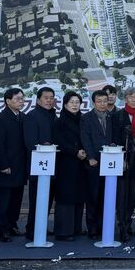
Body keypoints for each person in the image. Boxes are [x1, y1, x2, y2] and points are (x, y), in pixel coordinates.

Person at [22, 87, 57, 240]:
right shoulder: (32, 116)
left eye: (51, 98)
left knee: (48, 199)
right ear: (38, 100)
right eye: (46, 98)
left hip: (52, 164)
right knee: (36, 199)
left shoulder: (53, 115)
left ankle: (41, 226)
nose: (49, 100)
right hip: (38, 165)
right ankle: (32, 229)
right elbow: (30, 142)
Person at [0, 87, 27, 242]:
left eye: (22, 98)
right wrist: (3, 165)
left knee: (17, 198)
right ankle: (3, 229)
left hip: (21, 165)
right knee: (5, 199)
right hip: (7, 166)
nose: (21, 101)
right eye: (17, 99)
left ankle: (13, 225)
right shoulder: (0, 119)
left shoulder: (23, 117)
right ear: (8, 101)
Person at [112, 88, 135, 242]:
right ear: (125, 99)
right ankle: (122, 227)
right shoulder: (118, 115)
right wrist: (121, 158)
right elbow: (114, 138)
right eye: (131, 97)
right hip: (123, 160)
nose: (134, 100)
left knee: (132, 196)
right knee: (122, 196)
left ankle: (128, 223)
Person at [53, 91, 86, 241]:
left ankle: (76, 228)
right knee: (66, 197)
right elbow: (59, 141)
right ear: (65, 104)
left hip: (81, 162)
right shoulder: (60, 121)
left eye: (77, 102)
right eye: (72, 102)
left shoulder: (82, 119)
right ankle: (63, 232)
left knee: (79, 196)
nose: (75, 105)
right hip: (66, 163)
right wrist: (75, 152)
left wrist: (84, 151)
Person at [81, 90, 114, 240]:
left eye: (104, 101)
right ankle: (92, 228)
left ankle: (104, 226)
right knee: (93, 196)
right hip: (94, 162)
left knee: (106, 196)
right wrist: (91, 157)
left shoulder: (113, 117)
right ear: (94, 102)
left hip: (110, 162)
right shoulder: (86, 118)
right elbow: (85, 138)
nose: (102, 104)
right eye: (99, 101)